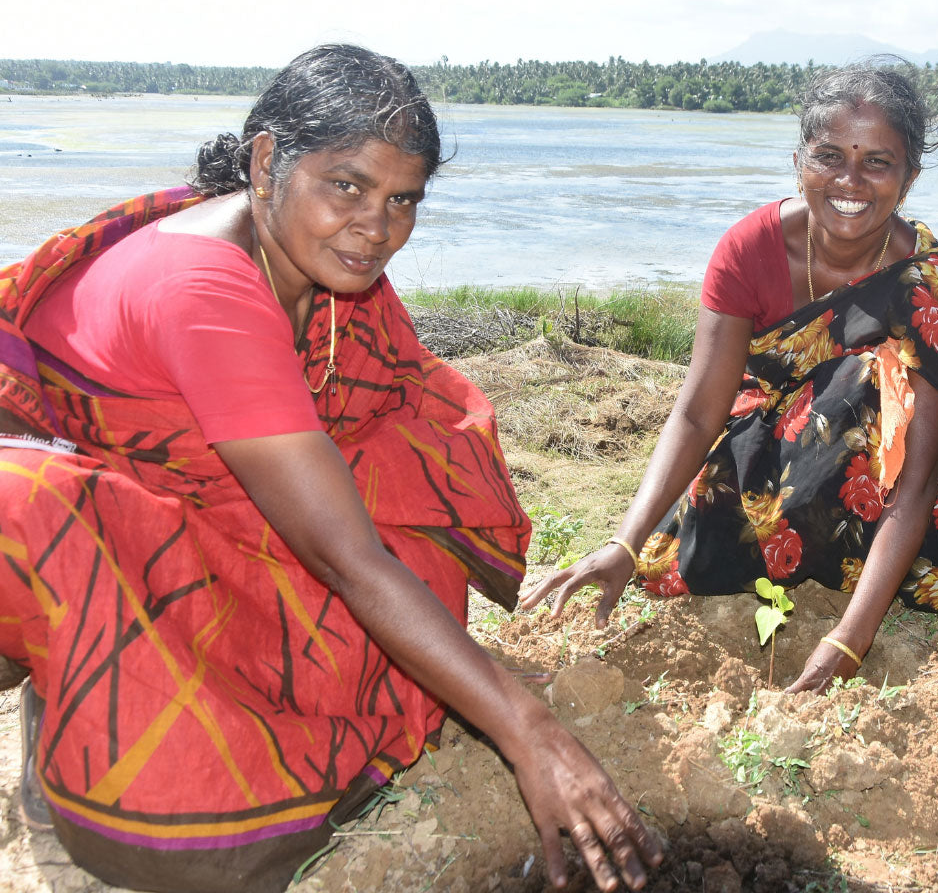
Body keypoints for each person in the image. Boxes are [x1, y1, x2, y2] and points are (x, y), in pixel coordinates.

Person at [0, 45, 659, 893]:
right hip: (119, 530)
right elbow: (344, 557)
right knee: (207, 745)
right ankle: (80, 697)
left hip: (232, 505)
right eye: (346, 185)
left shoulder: (315, 272)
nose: (377, 227)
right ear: (269, 161)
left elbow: (391, 432)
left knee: (408, 503)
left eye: (402, 200)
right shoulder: (205, 287)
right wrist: (530, 732)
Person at [522, 61, 938, 693]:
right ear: (800, 161)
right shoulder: (748, 248)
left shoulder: (926, 285)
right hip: (766, 456)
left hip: (880, 494)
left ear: (908, 179)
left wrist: (849, 642)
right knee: (679, 564)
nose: (850, 181)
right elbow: (698, 412)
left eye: (877, 163)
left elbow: (919, 482)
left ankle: (854, 585)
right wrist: (626, 542)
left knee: (864, 380)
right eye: (829, 155)